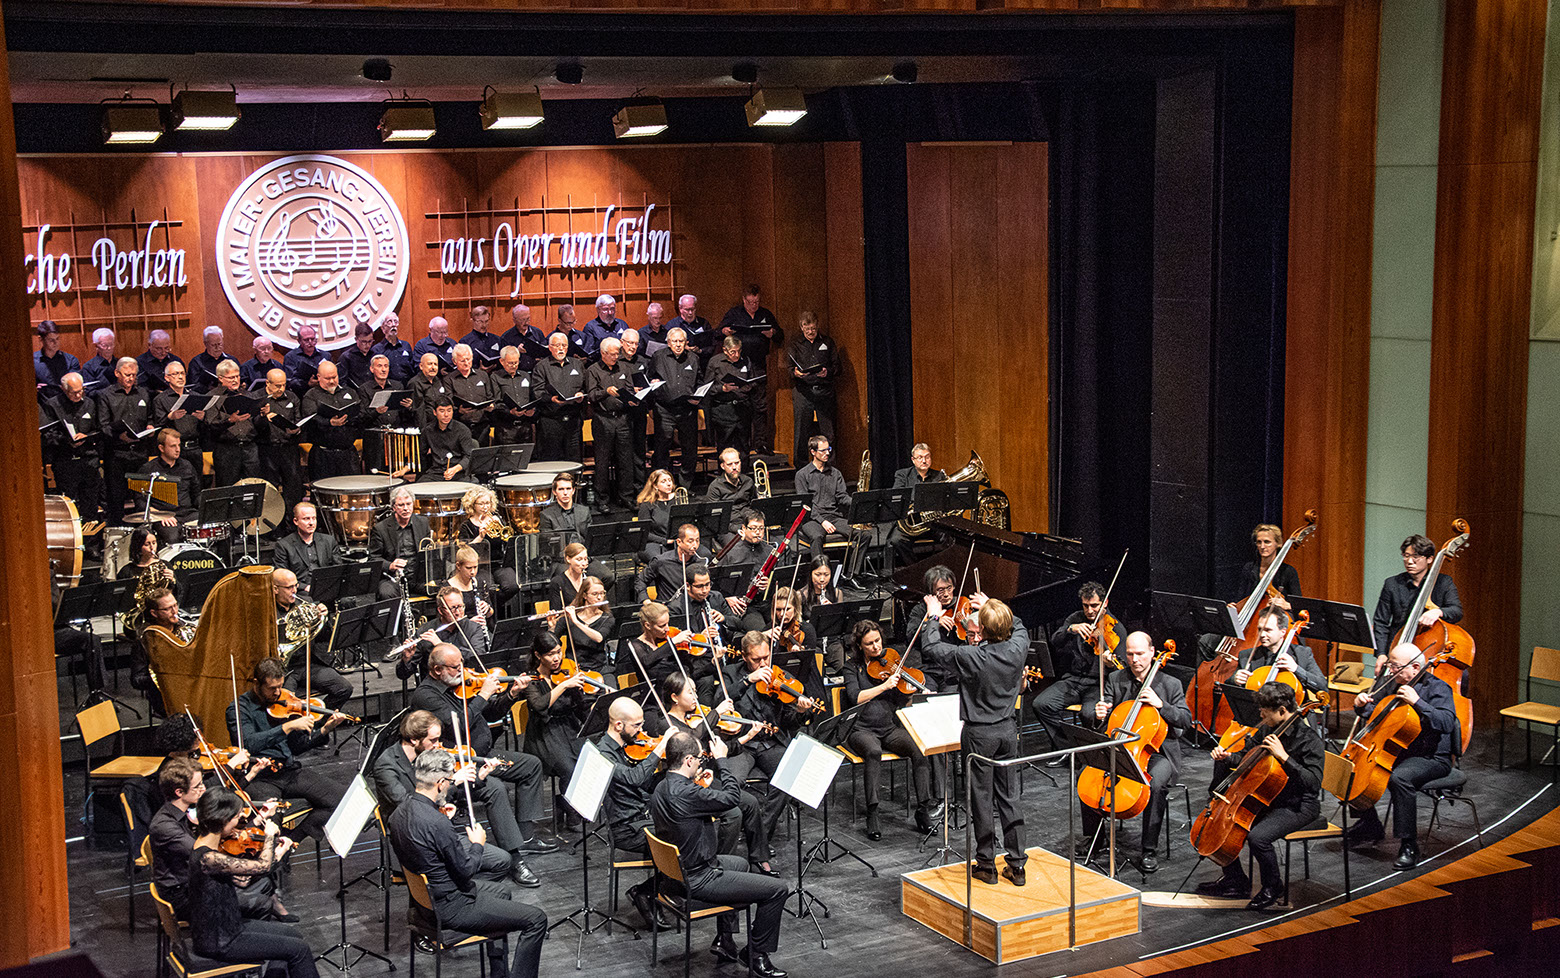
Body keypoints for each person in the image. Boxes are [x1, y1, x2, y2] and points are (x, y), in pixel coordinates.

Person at [388, 749, 548, 978]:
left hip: (426, 902)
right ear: (440, 783)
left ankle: (499, 973)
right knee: (536, 919)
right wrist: (477, 844)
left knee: (502, 892)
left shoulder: (399, 813)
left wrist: (440, 817)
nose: (451, 784)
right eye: (450, 780)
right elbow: (466, 871)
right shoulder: (437, 824)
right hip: (452, 907)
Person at [650, 729, 791, 978]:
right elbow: (732, 798)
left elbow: (689, 802)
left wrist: (698, 783)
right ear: (688, 760)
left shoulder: (662, 787)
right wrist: (722, 760)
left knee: (740, 864)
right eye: (699, 759)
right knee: (778, 889)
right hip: (699, 878)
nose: (701, 762)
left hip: (677, 873)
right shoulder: (689, 793)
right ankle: (756, 953)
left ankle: (725, 939)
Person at [407, 644, 556, 861]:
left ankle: (526, 838)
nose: (461, 670)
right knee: (495, 787)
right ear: (437, 670)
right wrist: (484, 694)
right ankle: (513, 855)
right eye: (455, 667)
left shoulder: (460, 686)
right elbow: (457, 725)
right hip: (458, 763)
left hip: (482, 753)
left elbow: (491, 713)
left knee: (531, 765)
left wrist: (512, 694)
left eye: (462, 664)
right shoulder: (426, 695)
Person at [921, 592, 1030, 885]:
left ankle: (986, 865)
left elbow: (931, 647)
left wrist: (933, 615)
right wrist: (993, 605)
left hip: (979, 733)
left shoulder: (972, 656)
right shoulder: (1017, 647)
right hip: (1007, 730)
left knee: (981, 798)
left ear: (982, 630)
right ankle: (1017, 865)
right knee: (1009, 796)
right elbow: (1019, 625)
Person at [372, 710, 535, 886]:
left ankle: (514, 857)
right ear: (414, 740)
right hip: (416, 835)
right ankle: (455, 888)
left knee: (494, 788)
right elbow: (411, 807)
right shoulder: (386, 766)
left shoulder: (426, 755)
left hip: (435, 821)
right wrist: (453, 781)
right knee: (499, 862)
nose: (438, 745)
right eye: (433, 740)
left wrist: (478, 777)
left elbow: (442, 793)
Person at [1199, 682, 1325, 908]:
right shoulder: (1268, 729)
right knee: (1219, 824)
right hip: (1268, 797)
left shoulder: (1309, 740)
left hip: (1298, 805)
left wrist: (1284, 757)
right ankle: (1235, 880)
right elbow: (1246, 758)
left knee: (1258, 838)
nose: (1260, 715)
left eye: (1264, 712)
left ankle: (1273, 886)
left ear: (1282, 711)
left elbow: (1313, 784)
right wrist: (1226, 757)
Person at [1078, 630, 1191, 874]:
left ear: (1152, 652)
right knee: (1087, 774)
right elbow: (1104, 715)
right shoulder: (1116, 678)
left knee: (1156, 784)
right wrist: (1099, 714)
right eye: (1130, 654)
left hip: (1157, 752)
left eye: (1139, 653)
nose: (1134, 659)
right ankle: (1095, 839)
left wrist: (1162, 705)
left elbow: (1186, 720)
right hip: (1120, 747)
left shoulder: (1170, 684)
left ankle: (1149, 849)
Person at [1345, 642, 1460, 869]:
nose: (1390, 670)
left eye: (1395, 666)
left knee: (1400, 778)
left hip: (1431, 757)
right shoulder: (1392, 683)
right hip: (1397, 750)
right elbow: (1376, 713)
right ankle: (1369, 823)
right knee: (1350, 765)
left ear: (1415, 667)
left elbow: (1447, 723)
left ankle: (1409, 845)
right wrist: (1361, 705)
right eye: (1390, 665)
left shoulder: (1438, 688)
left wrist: (1418, 702)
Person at [188, 788, 318, 978]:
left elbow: (242, 880)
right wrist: (270, 836)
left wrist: (276, 853)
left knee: (294, 937)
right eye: (236, 817)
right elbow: (263, 867)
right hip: (221, 939)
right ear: (223, 819)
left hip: (229, 926)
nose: (239, 822)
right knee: (299, 950)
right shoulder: (209, 858)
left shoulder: (205, 846)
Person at [150, 757, 289, 921]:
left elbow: (220, 838)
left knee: (262, 882)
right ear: (179, 792)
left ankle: (269, 919)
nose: (203, 789)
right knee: (260, 899)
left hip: (199, 880)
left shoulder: (189, 810)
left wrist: (258, 820)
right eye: (198, 786)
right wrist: (271, 848)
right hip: (184, 896)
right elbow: (207, 853)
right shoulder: (165, 827)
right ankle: (246, 931)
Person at [226, 657, 348, 844]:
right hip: (261, 778)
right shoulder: (239, 708)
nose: (277, 693)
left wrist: (324, 730)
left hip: (288, 771)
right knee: (270, 827)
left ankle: (292, 840)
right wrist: (287, 727)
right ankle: (277, 849)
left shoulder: (285, 704)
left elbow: (297, 747)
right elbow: (249, 744)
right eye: (272, 688)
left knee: (341, 800)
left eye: (280, 686)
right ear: (257, 683)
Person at [659, 672, 770, 872]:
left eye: (696, 691)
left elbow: (720, 750)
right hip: (688, 788)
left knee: (751, 802)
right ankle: (720, 865)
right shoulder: (667, 724)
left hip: (707, 778)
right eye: (690, 692)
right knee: (734, 814)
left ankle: (759, 859)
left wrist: (749, 736)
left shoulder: (696, 718)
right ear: (674, 697)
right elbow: (692, 737)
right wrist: (716, 712)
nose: (696, 696)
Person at [844, 619, 941, 837]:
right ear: (859, 645)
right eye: (869, 643)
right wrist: (884, 686)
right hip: (861, 730)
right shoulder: (851, 667)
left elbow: (902, 701)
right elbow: (855, 697)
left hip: (888, 728)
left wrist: (918, 693)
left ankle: (922, 810)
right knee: (873, 751)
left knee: (919, 748)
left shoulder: (890, 664)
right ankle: (873, 813)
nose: (876, 647)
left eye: (877, 641)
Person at [726, 630, 819, 852]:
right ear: (744, 657)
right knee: (732, 782)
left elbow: (788, 722)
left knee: (788, 775)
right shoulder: (730, 673)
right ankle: (737, 830)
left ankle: (761, 836)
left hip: (770, 743)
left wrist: (799, 711)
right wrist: (748, 680)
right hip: (742, 744)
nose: (762, 664)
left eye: (766, 657)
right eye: (756, 659)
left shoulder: (780, 676)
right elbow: (720, 699)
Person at [595, 696, 674, 929]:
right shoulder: (603, 753)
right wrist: (659, 748)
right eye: (637, 725)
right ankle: (646, 892)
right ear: (619, 725)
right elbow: (634, 778)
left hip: (642, 817)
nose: (642, 731)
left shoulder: (627, 746)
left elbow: (644, 785)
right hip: (627, 829)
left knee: (690, 828)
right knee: (682, 841)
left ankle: (661, 890)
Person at [1031, 582, 1126, 764]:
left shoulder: (1116, 628)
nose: (1090, 611)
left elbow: (1122, 667)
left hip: (1098, 684)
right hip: (1073, 680)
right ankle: (1069, 750)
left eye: (1094, 606)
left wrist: (1110, 663)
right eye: (1086, 605)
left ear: (1105, 603)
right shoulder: (1075, 618)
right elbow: (1055, 641)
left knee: (1089, 714)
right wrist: (1070, 629)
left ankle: (1094, 757)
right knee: (1041, 704)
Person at [271, 568, 352, 711]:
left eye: (296, 585)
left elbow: (323, 637)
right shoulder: (267, 611)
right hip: (283, 669)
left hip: (308, 663)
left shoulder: (306, 602)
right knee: (284, 705)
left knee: (344, 688)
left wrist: (324, 619)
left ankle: (320, 721)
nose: (294, 591)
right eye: (289, 587)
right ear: (275, 589)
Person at [1372, 534, 1464, 657]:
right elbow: (1381, 622)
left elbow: (1456, 611)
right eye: (1406, 556)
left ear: (1429, 559)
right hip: (1396, 648)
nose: (1410, 561)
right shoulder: (1392, 584)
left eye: (1416, 557)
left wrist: (1438, 612)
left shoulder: (1443, 582)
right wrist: (1381, 654)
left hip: (1429, 649)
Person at [524, 631, 591, 779]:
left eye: (559, 652)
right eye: (550, 654)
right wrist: (564, 685)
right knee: (570, 771)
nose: (557, 658)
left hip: (570, 727)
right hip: (545, 734)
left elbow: (580, 709)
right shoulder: (531, 679)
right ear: (538, 655)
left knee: (591, 763)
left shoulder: (566, 672)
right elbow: (539, 705)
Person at [586, 337, 639, 512]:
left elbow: (629, 390)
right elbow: (591, 395)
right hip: (603, 419)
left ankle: (626, 497)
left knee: (625, 460)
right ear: (603, 353)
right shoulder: (593, 370)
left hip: (623, 418)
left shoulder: (624, 368)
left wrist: (633, 399)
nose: (616, 357)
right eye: (612, 354)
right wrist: (606, 392)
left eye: (617, 353)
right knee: (602, 461)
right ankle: (602, 499)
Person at [97, 356, 153, 523]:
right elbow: (103, 425)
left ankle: (143, 533)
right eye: (127, 375)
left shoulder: (143, 393)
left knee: (142, 497)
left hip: (140, 453)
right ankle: (118, 532)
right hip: (117, 454)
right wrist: (118, 437)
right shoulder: (106, 395)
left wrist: (150, 427)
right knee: (116, 498)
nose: (131, 378)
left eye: (134, 375)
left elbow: (150, 417)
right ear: (117, 373)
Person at [44, 372, 103, 526]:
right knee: (68, 506)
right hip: (65, 461)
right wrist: (67, 441)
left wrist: (86, 436)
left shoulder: (90, 403)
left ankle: (90, 538)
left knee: (90, 504)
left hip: (88, 460)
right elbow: (48, 435)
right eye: (73, 392)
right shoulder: (52, 404)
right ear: (64, 390)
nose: (78, 395)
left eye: (80, 391)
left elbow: (99, 429)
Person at [397, 586, 491, 681]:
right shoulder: (425, 631)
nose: (458, 612)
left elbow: (477, 660)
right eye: (452, 608)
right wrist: (406, 659)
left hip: (467, 682)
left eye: (460, 606)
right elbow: (403, 675)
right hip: (436, 686)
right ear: (440, 610)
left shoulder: (473, 628)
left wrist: (441, 645)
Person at [650, 327, 703, 485]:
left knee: (690, 449)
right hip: (664, 409)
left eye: (681, 341)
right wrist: (652, 383)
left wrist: (698, 396)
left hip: (687, 409)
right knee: (662, 447)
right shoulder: (658, 356)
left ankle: (685, 486)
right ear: (668, 342)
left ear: (686, 342)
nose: (678, 344)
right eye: (675, 341)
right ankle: (662, 484)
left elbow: (700, 381)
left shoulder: (694, 358)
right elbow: (649, 377)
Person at [455, 486, 520, 615]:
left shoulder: (496, 519)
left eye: (487, 503)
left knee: (513, 586)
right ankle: (492, 613)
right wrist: (480, 537)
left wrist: (500, 528)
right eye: (481, 504)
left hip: (499, 564)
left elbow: (507, 539)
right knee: (488, 589)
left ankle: (495, 606)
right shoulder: (466, 526)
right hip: (480, 566)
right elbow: (464, 551)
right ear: (473, 505)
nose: (485, 507)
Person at [785, 310, 838, 459]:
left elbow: (837, 367)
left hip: (824, 391)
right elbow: (789, 368)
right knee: (801, 432)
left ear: (817, 325)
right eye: (807, 329)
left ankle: (829, 466)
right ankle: (801, 467)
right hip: (803, 392)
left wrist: (827, 372)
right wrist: (796, 373)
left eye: (813, 328)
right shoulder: (795, 344)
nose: (810, 332)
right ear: (801, 327)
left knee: (828, 432)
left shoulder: (827, 342)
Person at [793, 435, 855, 558]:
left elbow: (842, 496)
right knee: (817, 536)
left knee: (864, 535)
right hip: (812, 519)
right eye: (823, 450)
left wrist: (857, 502)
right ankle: (819, 568)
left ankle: (852, 569)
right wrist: (822, 521)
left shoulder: (835, 473)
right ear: (813, 452)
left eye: (828, 449)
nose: (827, 453)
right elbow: (806, 504)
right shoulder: (802, 475)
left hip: (834, 517)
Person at [255, 368, 305, 519]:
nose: (281, 389)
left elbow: (298, 420)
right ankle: (272, 525)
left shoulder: (292, 397)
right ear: (267, 383)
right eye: (277, 386)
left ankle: (292, 524)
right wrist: (263, 417)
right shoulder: (257, 397)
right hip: (267, 449)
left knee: (293, 489)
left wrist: (296, 430)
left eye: (283, 385)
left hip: (289, 448)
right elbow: (253, 426)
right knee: (270, 490)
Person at [885, 443, 945, 565]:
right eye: (920, 457)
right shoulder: (902, 475)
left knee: (951, 537)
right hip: (910, 524)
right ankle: (916, 568)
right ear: (913, 460)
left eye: (927, 457)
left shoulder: (939, 476)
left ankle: (942, 568)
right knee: (896, 540)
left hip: (932, 523)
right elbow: (897, 496)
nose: (924, 461)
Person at [204, 360, 262, 486]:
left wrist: (263, 415)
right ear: (220, 378)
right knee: (228, 488)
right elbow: (211, 426)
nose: (235, 380)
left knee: (253, 487)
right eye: (231, 378)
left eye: (237, 376)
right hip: (227, 450)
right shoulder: (212, 397)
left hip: (249, 449)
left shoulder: (247, 395)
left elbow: (256, 423)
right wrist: (230, 421)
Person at [137, 427, 201, 541]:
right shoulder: (148, 469)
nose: (178, 449)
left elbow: (196, 494)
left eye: (179, 445)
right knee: (173, 537)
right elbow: (141, 501)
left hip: (187, 514)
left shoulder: (187, 466)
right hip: (163, 516)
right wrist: (159, 515)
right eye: (173, 446)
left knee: (218, 527)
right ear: (161, 448)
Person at [302, 361, 362, 480]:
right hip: (323, 454)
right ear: (319, 377)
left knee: (351, 485)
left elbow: (360, 414)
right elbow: (310, 419)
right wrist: (329, 422)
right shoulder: (311, 395)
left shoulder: (349, 392)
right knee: (323, 487)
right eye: (327, 378)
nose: (332, 381)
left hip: (348, 453)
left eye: (334, 377)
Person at [371, 486, 432, 601]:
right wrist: (390, 565)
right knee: (386, 593)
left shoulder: (423, 523)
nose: (406, 508)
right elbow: (373, 558)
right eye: (401, 505)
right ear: (393, 507)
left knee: (444, 589)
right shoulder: (380, 529)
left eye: (409, 504)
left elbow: (429, 551)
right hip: (393, 578)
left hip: (418, 577)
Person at [532, 331, 586, 462]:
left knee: (574, 460)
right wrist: (551, 399)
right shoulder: (542, 366)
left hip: (573, 420)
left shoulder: (577, 364)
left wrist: (581, 395)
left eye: (564, 345)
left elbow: (586, 387)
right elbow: (537, 392)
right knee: (551, 461)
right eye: (557, 345)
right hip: (551, 421)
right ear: (550, 347)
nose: (561, 348)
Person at [701, 336, 758, 458]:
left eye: (739, 351)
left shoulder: (746, 360)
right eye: (733, 352)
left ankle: (743, 470)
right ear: (725, 350)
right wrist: (722, 388)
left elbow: (753, 381)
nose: (736, 355)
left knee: (744, 447)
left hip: (742, 409)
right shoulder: (715, 362)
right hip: (723, 411)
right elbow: (707, 388)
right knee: (724, 447)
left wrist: (747, 386)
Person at [271, 502, 342, 595]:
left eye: (314, 518)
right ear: (296, 521)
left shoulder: (328, 540)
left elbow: (338, 569)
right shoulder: (283, 545)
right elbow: (281, 577)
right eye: (306, 519)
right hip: (301, 590)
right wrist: (304, 587)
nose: (311, 523)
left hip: (326, 587)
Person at [553, 576, 615, 677]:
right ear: (584, 595)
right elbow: (552, 640)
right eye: (595, 594)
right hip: (573, 668)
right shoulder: (569, 617)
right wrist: (551, 626)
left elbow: (599, 638)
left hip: (599, 669)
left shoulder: (607, 618)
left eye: (602, 593)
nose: (599, 597)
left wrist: (576, 622)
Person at [635, 522, 710, 603]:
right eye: (690, 541)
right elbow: (640, 580)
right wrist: (646, 601)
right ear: (679, 542)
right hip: (668, 608)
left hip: (693, 607)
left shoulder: (701, 562)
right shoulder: (662, 561)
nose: (695, 545)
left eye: (697, 541)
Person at [704, 448, 757, 545]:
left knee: (768, 545)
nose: (734, 467)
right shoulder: (715, 487)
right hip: (727, 528)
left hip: (748, 524)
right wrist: (737, 529)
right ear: (722, 466)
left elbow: (754, 504)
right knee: (739, 548)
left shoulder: (748, 481)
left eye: (737, 463)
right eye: (729, 464)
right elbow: (714, 519)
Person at [488, 345, 538, 446]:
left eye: (516, 362)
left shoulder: (525, 375)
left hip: (525, 427)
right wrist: (510, 412)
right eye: (510, 363)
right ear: (502, 361)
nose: (514, 366)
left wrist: (533, 410)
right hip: (506, 429)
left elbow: (533, 397)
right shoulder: (495, 377)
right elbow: (496, 401)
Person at [419, 396, 478, 482]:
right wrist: (406, 468)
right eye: (442, 411)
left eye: (449, 410)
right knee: (419, 486)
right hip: (436, 472)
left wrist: (455, 469)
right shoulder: (428, 430)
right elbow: (420, 454)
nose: (446, 415)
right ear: (435, 412)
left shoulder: (462, 430)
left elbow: (469, 456)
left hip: (458, 472)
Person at [152, 361, 203, 458]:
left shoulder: (195, 396)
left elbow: (205, 426)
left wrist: (203, 417)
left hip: (195, 447)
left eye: (182, 373)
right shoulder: (160, 399)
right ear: (167, 378)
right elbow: (158, 426)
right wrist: (170, 417)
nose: (180, 377)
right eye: (175, 374)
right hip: (174, 449)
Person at [618, 328, 652, 472]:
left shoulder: (642, 361)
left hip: (639, 410)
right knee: (623, 450)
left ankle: (640, 482)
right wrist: (631, 390)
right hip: (621, 411)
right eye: (630, 343)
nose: (633, 347)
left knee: (639, 447)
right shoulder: (616, 360)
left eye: (636, 344)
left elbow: (647, 381)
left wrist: (651, 384)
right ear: (622, 342)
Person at [446, 343, 494, 438]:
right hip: (460, 426)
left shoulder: (482, 375)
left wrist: (491, 406)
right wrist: (459, 411)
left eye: (468, 359)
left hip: (482, 425)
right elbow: (448, 402)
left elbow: (490, 397)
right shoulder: (449, 379)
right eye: (462, 360)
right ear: (454, 361)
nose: (466, 363)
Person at [360, 353, 415, 432]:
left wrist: (409, 407)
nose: (383, 370)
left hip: (396, 431)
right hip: (375, 432)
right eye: (379, 366)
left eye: (386, 366)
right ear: (372, 369)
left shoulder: (398, 386)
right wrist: (377, 412)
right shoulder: (364, 389)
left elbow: (403, 415)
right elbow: (362, 418)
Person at [444, 546, 497, 626]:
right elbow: (446, 621)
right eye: (468, 568)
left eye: (475, 567)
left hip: (479, 628)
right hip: (461, 630)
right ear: (458, 566)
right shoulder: (447, 588)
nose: (473, 572)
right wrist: (469, 623)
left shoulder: (480, 582)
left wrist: (487, 609)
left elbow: (490, 613)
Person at [634, 468, 679, 560]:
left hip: (678, 542)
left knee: (704, 553)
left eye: (670, 480)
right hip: (655, 543)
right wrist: (665, 541)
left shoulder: (678, 499)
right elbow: (644, 532)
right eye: (663, 481)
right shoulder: (647, 505)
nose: (669, 484)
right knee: (661, 559)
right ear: (655, 485)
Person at [33, 320, 80, 399]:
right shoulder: (32, 362)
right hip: (43, 404)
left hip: (66, 403)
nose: (56, 343)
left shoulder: (71, 360)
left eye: (57, 338)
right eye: (51, 340)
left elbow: (74, 386)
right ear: (41, 339)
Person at [188, 325, 241, 393]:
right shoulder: (197, 362)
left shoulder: (231, 360)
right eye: (213, 345)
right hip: (206, 396)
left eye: (219, 344)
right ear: (205, 344)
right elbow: (193, 385)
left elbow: (240, 379)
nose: (217, 348)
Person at [372, 311, 417, 383]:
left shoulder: (406, 345)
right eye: (389, 322)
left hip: (407, 385)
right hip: (388, 386)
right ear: (383, 328)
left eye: (395, 322)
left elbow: (412, 368)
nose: (393, 325)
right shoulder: (377, 349)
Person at [282, 325, 328, 396]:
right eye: (306, 340)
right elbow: (290, 381)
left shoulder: (325, 355)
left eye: (312, 339)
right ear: (299, 341)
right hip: (300, 395)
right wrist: (307, 384)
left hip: (324, 393)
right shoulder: (291, 357)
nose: (310, 342)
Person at [500, 304, 548, 370]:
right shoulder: (506, 337)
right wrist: (517, 351)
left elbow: (545, 352)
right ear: (514, 320)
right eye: (522, 320)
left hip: (537, 371)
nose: (526, 323)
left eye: (528, 319)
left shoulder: (537, 332)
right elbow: (503, 360)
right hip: (517, 372)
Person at [135, 329, 181, 394]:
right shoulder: (140, 362)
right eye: (159, 349)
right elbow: (140, 388)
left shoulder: (175, 360)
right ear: (149, 345)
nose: (163, 352)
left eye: (166, 348)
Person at [409, 352, 450, 424]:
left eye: (435, 364)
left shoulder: (438, 380)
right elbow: (419, 412)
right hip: (426, 425)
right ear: (421, 366)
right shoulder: (415, 383)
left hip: (440, 423)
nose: (433, 367)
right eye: (430, 364)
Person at [337, 322, 379, 387]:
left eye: (370, 341)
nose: (367, 345)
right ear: (356, 339)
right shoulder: (346, 357)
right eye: (364, 342)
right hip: (355, 392)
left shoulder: (375, 355)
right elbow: (342, 382)